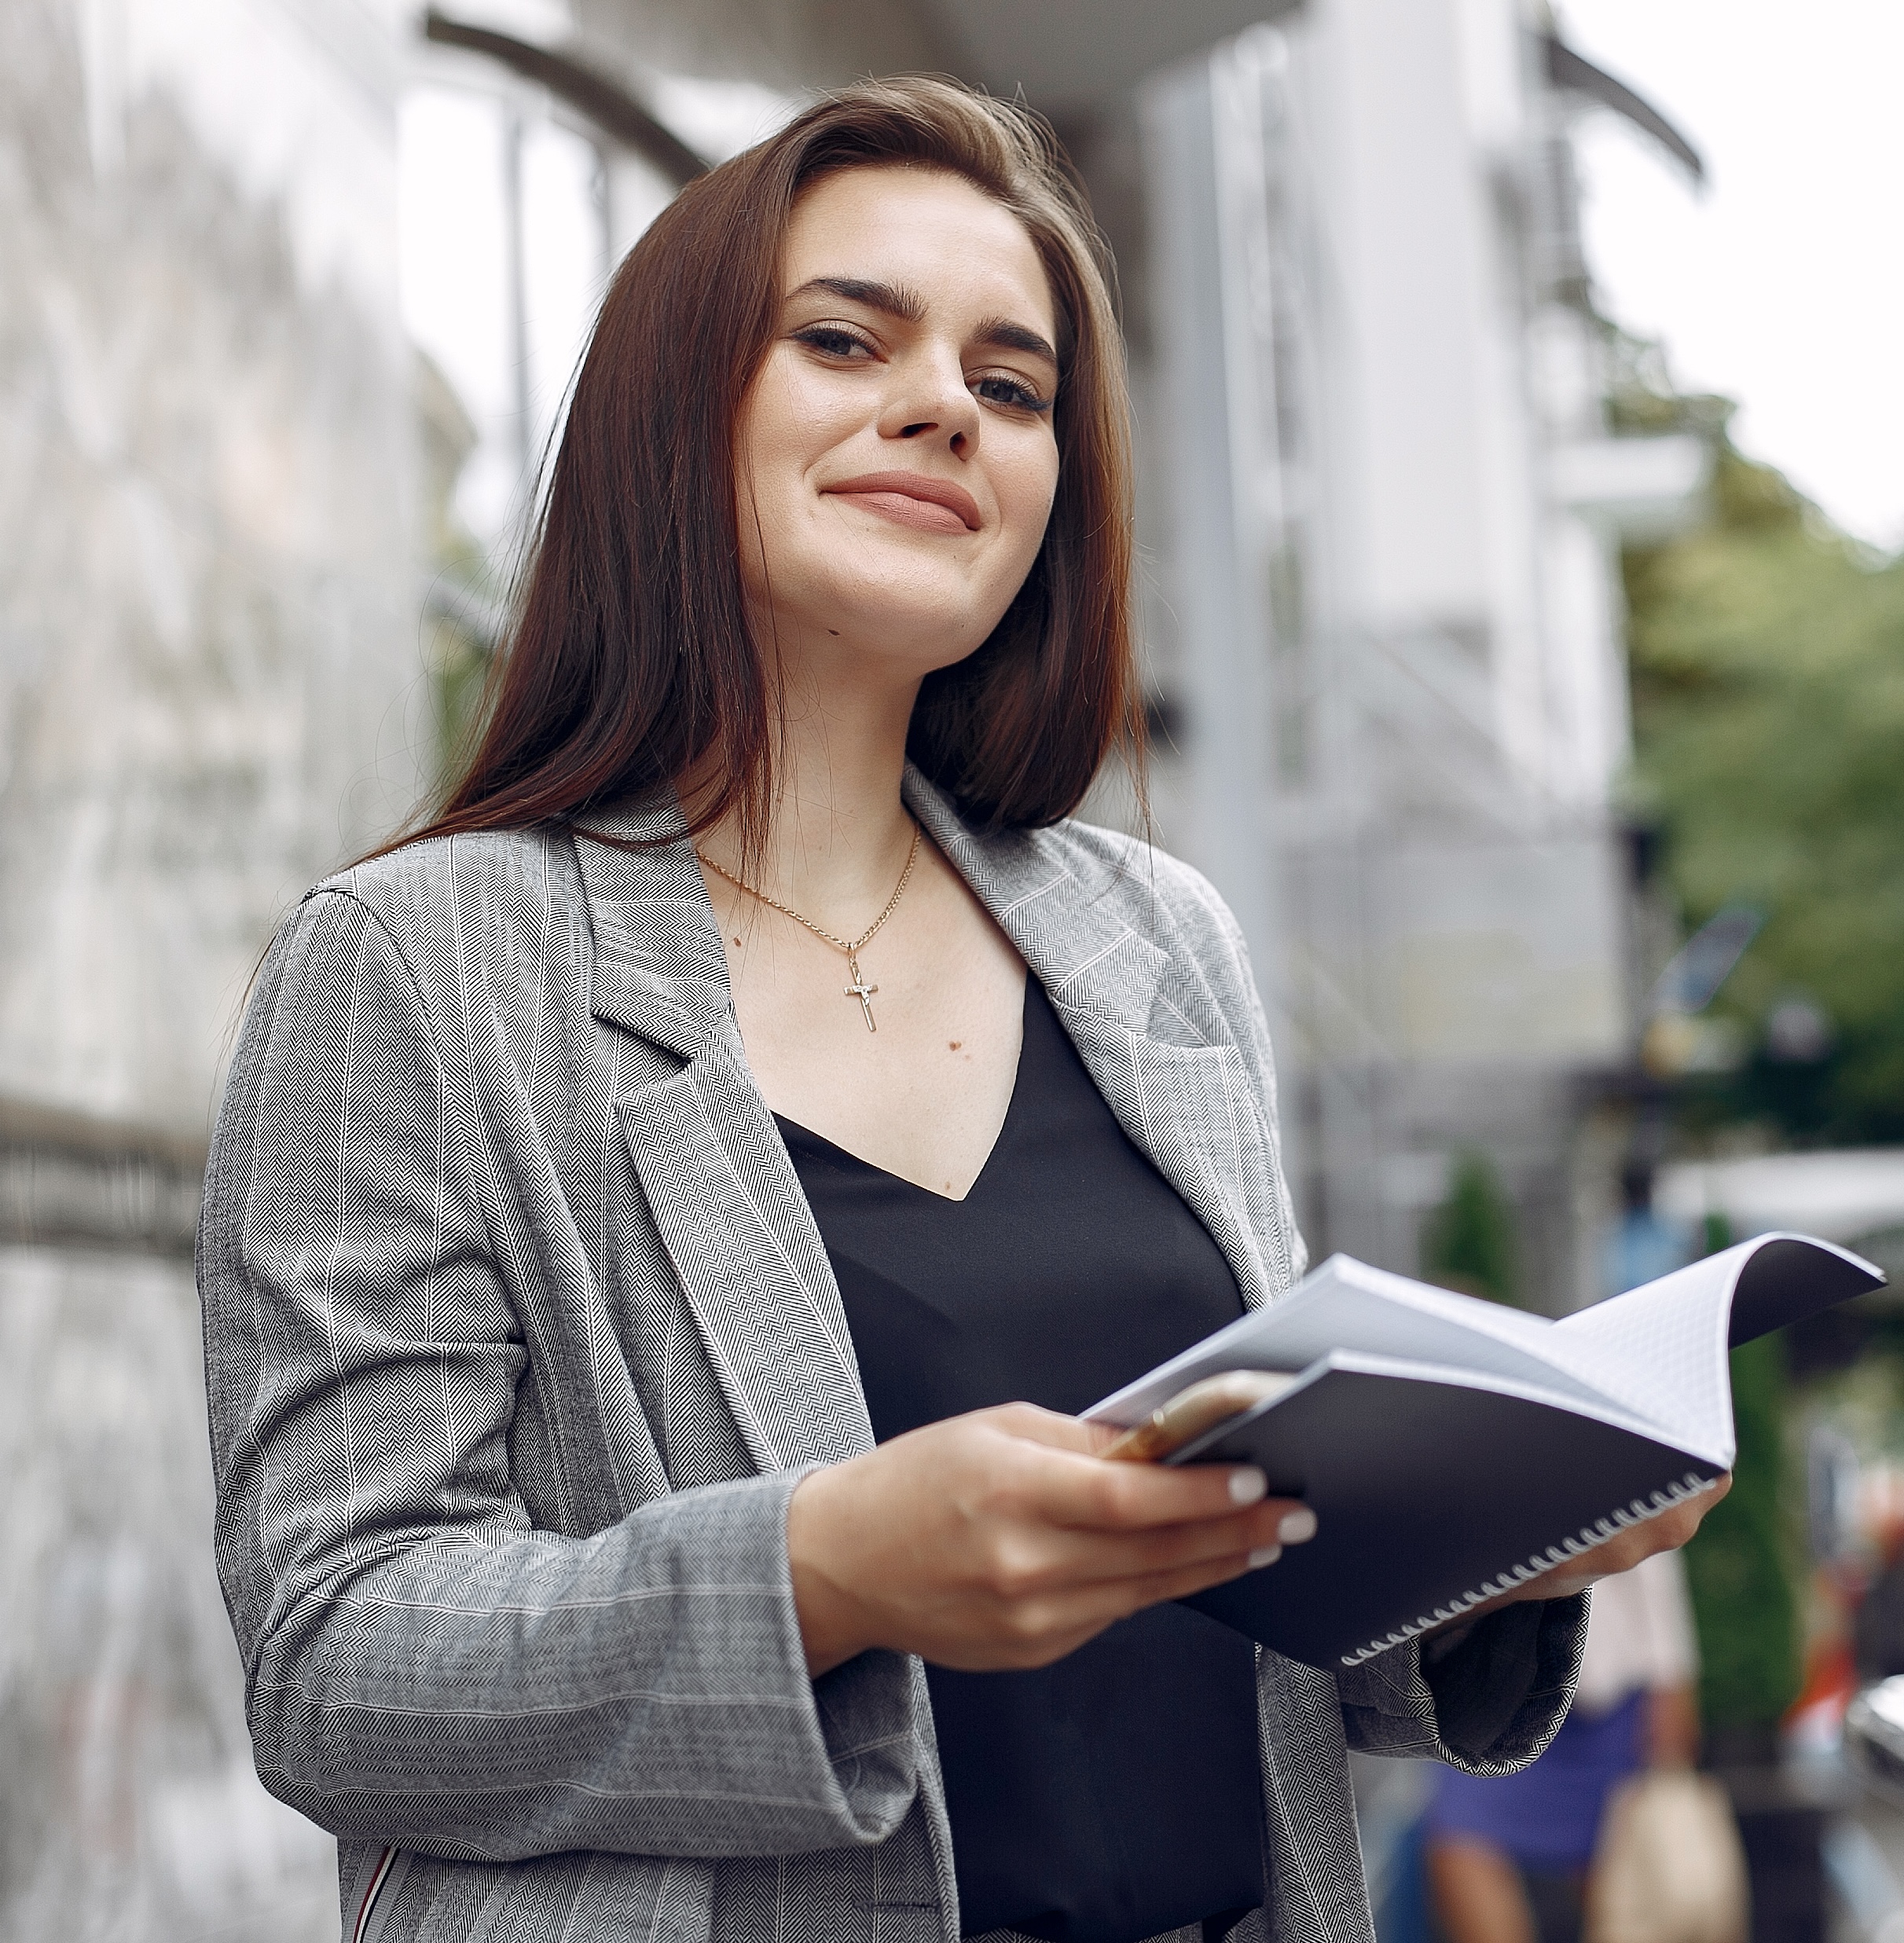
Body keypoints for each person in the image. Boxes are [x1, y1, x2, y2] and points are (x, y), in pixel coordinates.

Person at [196, 78, 1721, 1943]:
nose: (944, 406)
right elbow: (338, 1660)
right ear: (675, 412)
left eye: (1013, 387)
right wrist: (820, 1573)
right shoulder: (416, 962)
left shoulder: (1156, 942)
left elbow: (1247, 1613)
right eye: (845, 340)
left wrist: (1502, 1525)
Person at [1424, 1544, 1704, 1943]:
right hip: (1484, 1679)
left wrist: (1671, 1677)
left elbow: (1655, 1542)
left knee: (1618, 1879)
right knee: (1459, 1838)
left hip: (1607, 1694)